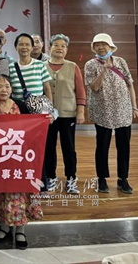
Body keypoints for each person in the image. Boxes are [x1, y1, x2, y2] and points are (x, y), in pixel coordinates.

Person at [0, 74, 47, 250]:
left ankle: (21, 230)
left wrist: (47, 119)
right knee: (1, 193)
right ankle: (4, 228)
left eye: (7, 86)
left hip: (21, 158)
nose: (4, 90)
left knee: (20, 193)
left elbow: (36, 125)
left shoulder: (21, 105)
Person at [85, 33, 138, 195]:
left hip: (123, 110)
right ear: (94, 47)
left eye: (104, 44)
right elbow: (94, 87)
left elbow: (130, 85)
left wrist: (134, 108)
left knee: (124, 146)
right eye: (97, 45)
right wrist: (104, 70)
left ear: (111, 46)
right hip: (103, 111)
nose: (101, 47)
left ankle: (123, 179)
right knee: (102, 146)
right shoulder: (90, 64)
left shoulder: (121, 61)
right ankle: (102, 178)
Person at [45, 34, 87, 195]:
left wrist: (80, 111)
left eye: (63, 46)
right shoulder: (42, 66)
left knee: (68, 147)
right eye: (56, 45)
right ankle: (51, 176)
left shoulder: (72, 66)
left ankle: (71, 178)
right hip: (48, 115)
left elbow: (80, 90)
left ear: (67, 49)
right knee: (49, 147)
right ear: (50, 47)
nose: (59, 48)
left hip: (68, 112)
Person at [8, 33, 53, 102]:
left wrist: (50, 106)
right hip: (18, 107)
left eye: (27, 44)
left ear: (32, 47)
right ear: (16, 47)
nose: (24, 47)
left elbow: (47, 89)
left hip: (38, 107)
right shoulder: (11, 67)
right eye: (21, 44)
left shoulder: (40, 65)